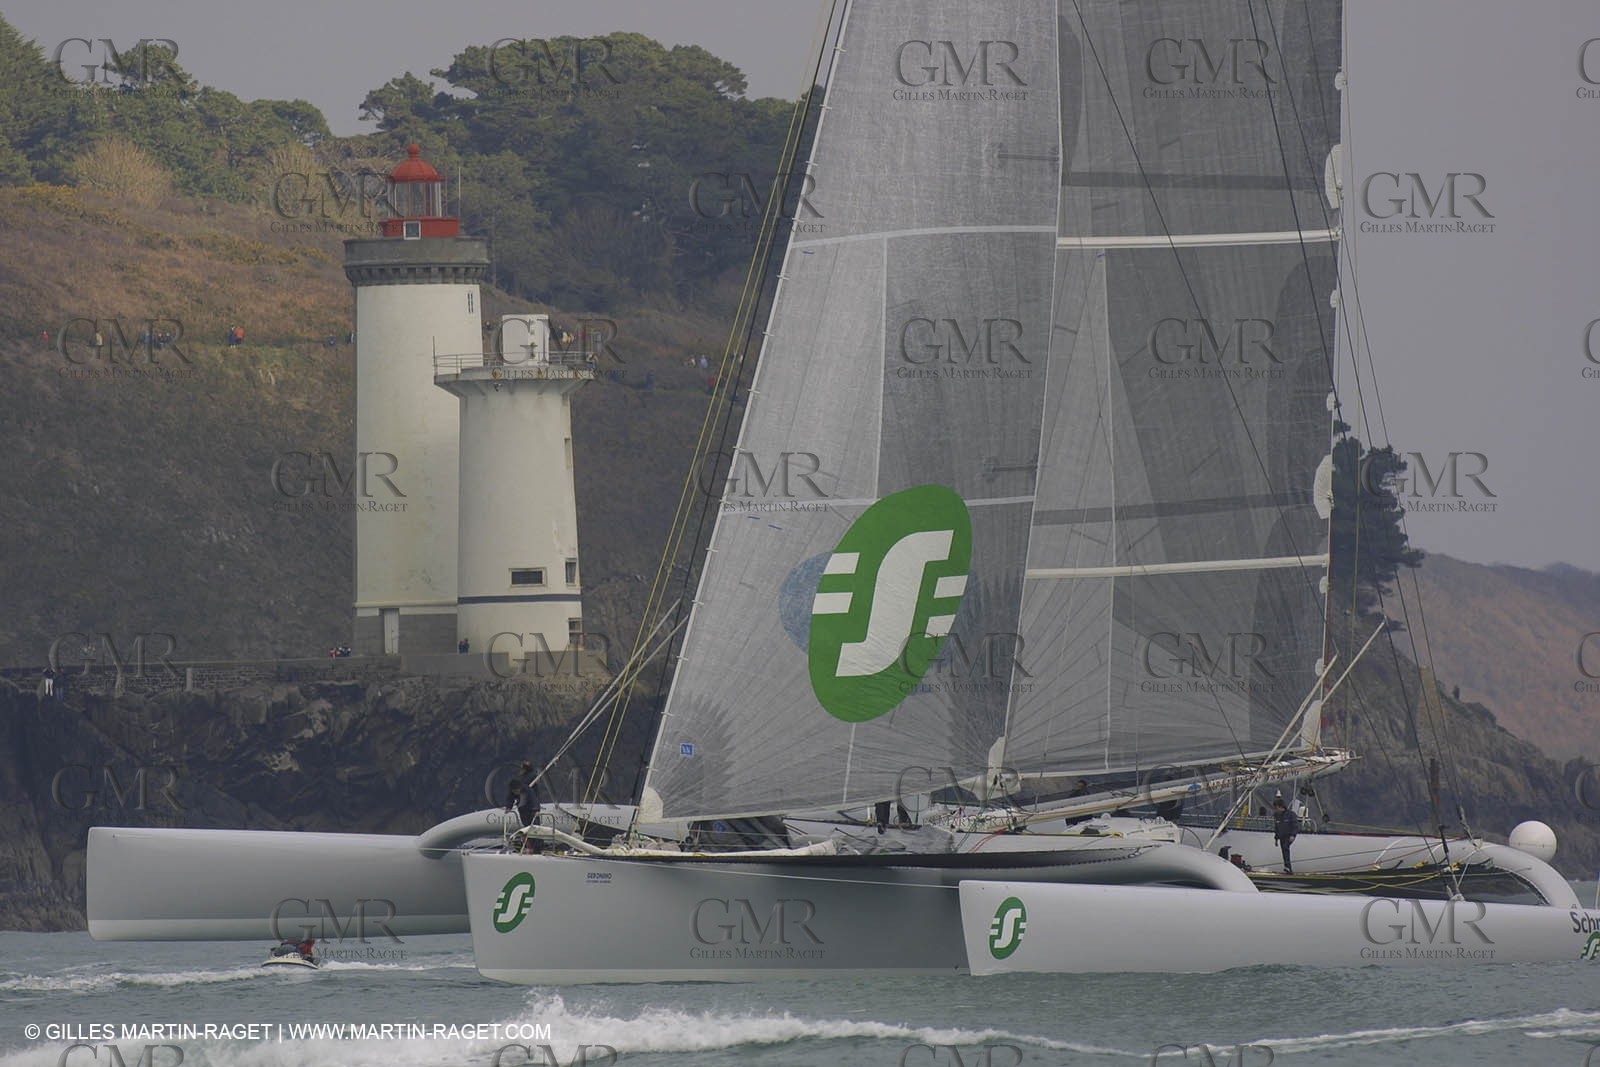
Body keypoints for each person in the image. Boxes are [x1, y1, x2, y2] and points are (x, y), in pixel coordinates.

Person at [1272, 794, 1299, 874]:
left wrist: (1293, 835)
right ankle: (1287, 867)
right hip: (1281, 836)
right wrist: (1276, 839)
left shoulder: (1290, 814)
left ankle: (1288, 867)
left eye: (1276, 808)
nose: (1275, 810)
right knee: (1283, 851)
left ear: (1281, 807)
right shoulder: (1276, 815)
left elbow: (1295, 826)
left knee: (1285, 847)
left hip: (1289, 835)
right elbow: (1276, 827)